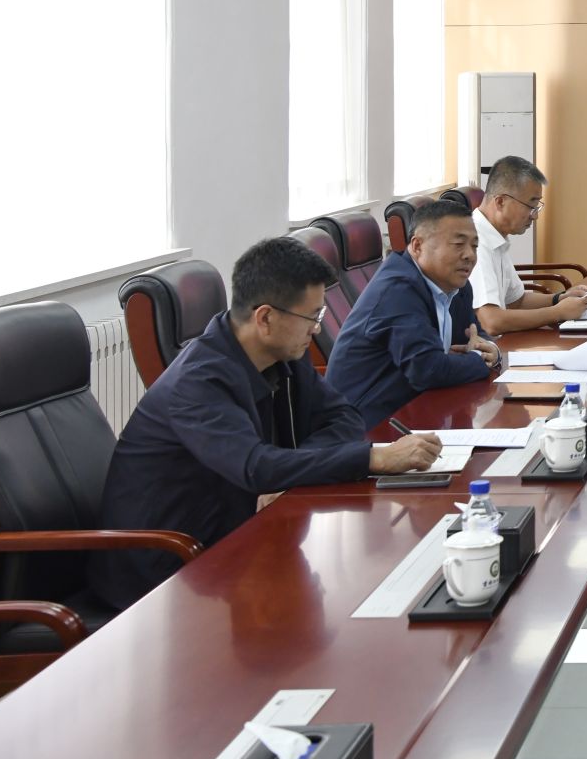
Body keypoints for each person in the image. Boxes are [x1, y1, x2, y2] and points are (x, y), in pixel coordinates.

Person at [90, 237, 442, 609]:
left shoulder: (283, 353)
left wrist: (289, 471)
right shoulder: (197, 382)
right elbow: (256, 467)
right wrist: (373, 458)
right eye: (312, 317)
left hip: (236, 539)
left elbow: (345, 416)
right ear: (265, 318)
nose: (317, 329)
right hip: (164, 573)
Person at [327, 200, 505, 427]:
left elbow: (475, 337)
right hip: (366, 427)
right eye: (458, 244)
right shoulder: (397, 291)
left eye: (475, 246)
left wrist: (491, 351)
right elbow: (428, 370)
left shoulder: (457, 287)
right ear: (418, 245)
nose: (470, 255)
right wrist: (481, 361)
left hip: (419, 412)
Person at [470, 155, 587, 334]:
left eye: (537, 207)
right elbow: (491, 322)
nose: (535, 216)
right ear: (500, 201)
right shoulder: (475, 242)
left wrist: (559, 298)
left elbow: (516, 302)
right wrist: (558, 312)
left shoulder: (495, 237)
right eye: (530, 206)